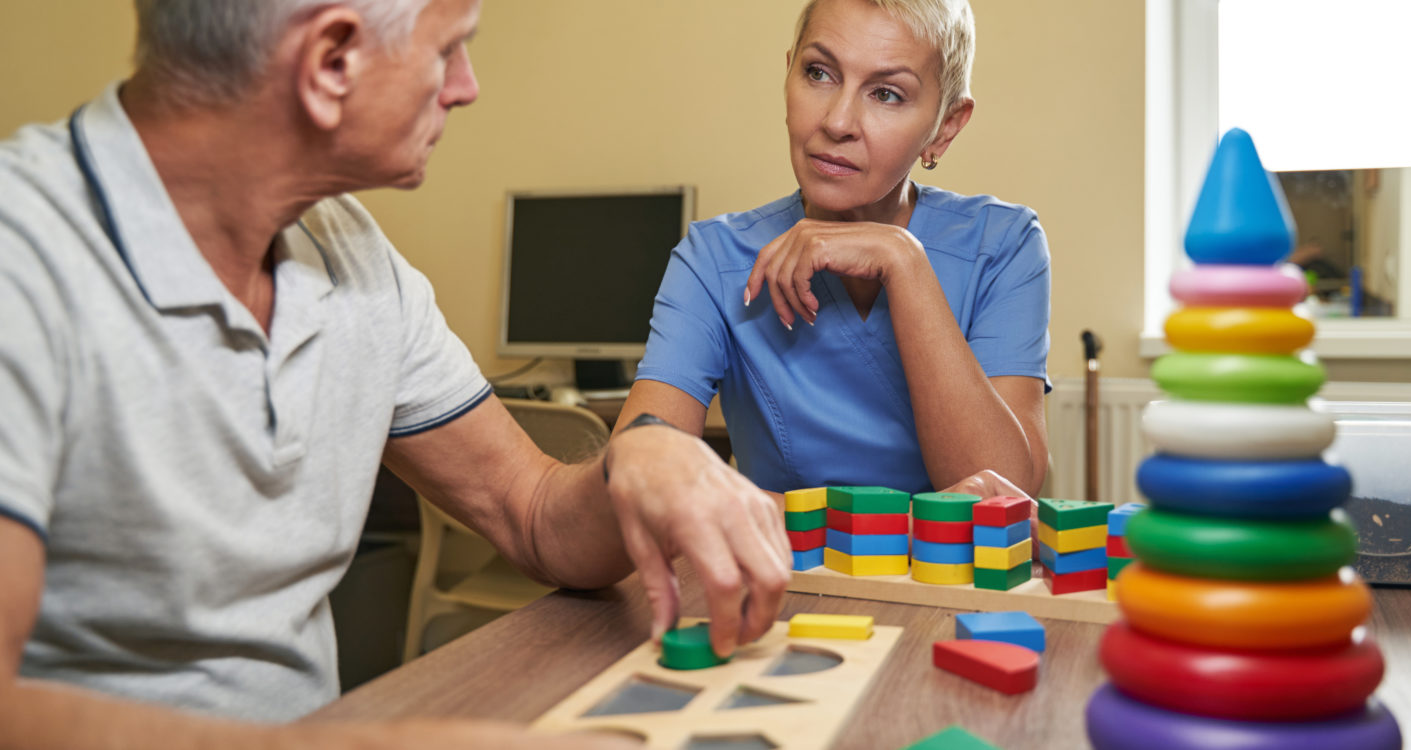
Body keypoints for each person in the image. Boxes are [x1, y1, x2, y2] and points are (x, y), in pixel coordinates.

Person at [0, 0, 788, 747]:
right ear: (332, 60)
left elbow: (537, 517)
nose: (466, 87)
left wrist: (637, 454)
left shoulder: (349, 251)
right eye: (448, 49)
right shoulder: (23, 256)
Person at [618, 0, 1051, 500]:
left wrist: (904, 261)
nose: (838, 121)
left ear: (946, 126)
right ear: (787, 77)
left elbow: (1006, 499)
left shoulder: (1002, 245)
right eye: (819, 73)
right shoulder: (712, 260)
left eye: (887, 93)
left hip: (948, 580)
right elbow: (638, 479)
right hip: (782, 574)